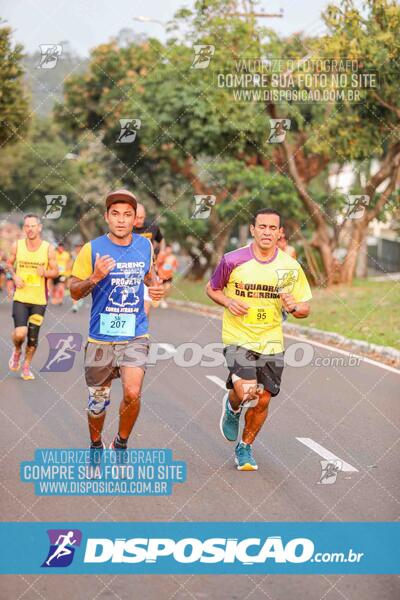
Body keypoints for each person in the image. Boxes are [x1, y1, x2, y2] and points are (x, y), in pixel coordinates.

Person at [206, 209, 312, 471]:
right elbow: (212, 288)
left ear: (280, 233)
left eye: (272, 228)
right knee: (247, 392)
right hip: (238, 336)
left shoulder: (290, 267)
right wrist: (229, 301)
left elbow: (305, 309)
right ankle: (233, 407)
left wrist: (294, 306)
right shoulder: (233, 260)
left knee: (262, 400)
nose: (267, 232)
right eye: (261, 227)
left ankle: (245, 447)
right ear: (252, 230)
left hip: (272, 341)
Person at [70, 189, 164, 450]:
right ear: (107, 217)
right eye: (116, 214)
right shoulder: (92, 249)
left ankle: (121, 442)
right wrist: (95, 277)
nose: (121, 220)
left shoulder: (144, 245)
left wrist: (155, 286)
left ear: (135, 219)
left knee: (132, 393)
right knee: (98, 402)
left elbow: (149, 275)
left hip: (135, 332)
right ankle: (96, 444)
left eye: (127, 215)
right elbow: (74, 291)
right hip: (100, 336)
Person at [7, 214, 58, 380]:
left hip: (39, 301)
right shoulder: (17, 246)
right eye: (27, 226)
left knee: (33, 338)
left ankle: (27, 366)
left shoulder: (48, 248)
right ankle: (16, 350)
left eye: (33, 226)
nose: (30, 229)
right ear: (24, 229)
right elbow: (8, 264)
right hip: (21, 297)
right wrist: (14, 276)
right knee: (20, 333)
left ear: (39, 227)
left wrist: (46, 272)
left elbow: (56, 271)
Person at [132, 203, 164, 315]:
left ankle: (143, 332)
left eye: (142, 217)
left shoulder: (153, 227)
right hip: (129, 271)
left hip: (148, 270)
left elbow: (161, 240)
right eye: (137, 217)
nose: (139, 220)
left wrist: (162, 253)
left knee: (145, 309)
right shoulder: (126, 229)